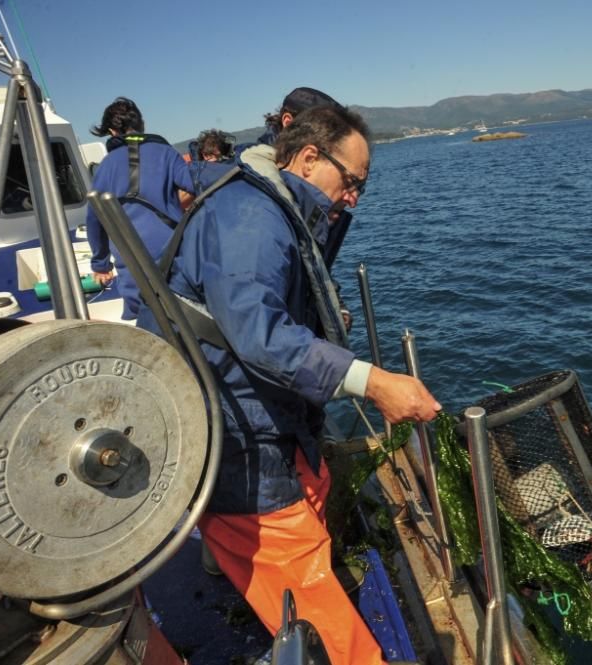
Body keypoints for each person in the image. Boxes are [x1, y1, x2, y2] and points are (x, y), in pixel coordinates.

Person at [139, 105, 437, 665]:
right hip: (230, 430)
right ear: (306, 157)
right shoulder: (249, 217)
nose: (352, 198)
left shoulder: (272, 205)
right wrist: (373, 382)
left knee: (316, 479)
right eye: (351, 182)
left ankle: (275, 568)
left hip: (264, 408)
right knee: (309, 595)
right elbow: (260, 333)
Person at [84, 97, 194, 319]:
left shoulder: (106, 165)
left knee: (145, 318)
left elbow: (95, 217)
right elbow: (195, 184)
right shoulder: (166, 153)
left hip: (131, 257)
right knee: (187, 313)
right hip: (173, 250)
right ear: (142, 125)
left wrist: (100, 264)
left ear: (113, 131)